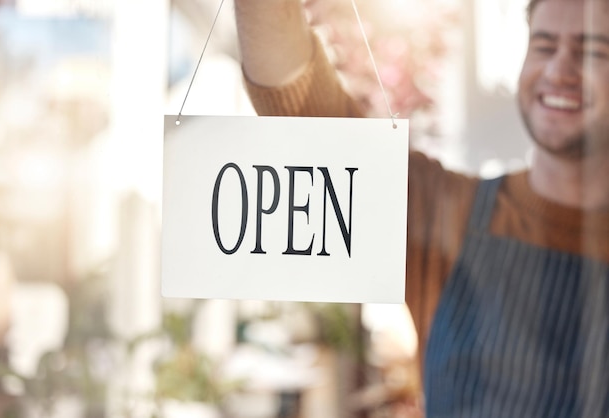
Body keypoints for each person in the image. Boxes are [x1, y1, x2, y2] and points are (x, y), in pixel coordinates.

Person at [233, 0, 609, 416]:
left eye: (593, 50)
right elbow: (307, 114)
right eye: (543, 45)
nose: (558, 70)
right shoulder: (445, 208)